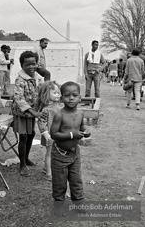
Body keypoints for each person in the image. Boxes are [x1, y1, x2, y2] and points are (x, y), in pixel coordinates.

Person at [50, 81, 91, 215]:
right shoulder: (59, 115)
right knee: (60, 183)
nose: (71, 98)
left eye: (74, 95)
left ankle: (78, 203)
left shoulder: (80, 113)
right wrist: (72, 134)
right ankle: (59, 205)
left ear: (80, 97)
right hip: (60, 154)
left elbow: (82, 127)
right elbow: (54, 134)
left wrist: (86, 130)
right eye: (67, 95)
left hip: (74, 154)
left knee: (76, 180)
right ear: (62, 98)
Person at [12, 51, 46, 176]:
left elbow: (42, 92)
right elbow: (18, 98)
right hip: (22, 113)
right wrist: (33, 111)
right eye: (27, 65)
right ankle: (22, 164)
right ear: (22, 65)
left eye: (33, 64)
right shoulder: (20, 80)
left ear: (37, 63)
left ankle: (26, 158)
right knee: (24, 136)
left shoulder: (38, 78)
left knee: (31, 134)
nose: (31, 67)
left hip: (32, 113)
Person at [37, 81, 61, 181]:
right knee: (49, 153)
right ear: (47, 94)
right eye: (55, 93)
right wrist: (44, 132)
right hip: (50, 135)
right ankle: (49, 173)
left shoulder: (58, 106)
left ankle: (45, 168)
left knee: (55, 153)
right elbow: (41, 121)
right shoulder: (46, 109)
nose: (58, 95)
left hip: (58, 134)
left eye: (58, 92)